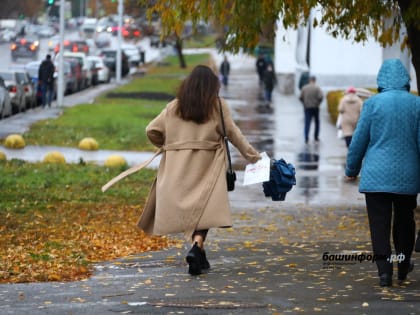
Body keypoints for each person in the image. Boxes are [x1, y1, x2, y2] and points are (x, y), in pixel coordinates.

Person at [138, 65, 261, 276]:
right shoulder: (218, 107)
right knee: (204, 209)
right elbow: (234, 135)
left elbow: (151, 130)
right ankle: (197, 245)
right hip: (208, 166)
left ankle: (198, 250)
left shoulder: (174, 107)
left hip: (178, 168)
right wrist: (255, 158)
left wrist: (171, 145)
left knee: (200, 211)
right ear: (213, 86)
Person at [345, 59, 420, 287]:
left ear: (381, 80)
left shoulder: (372, 104)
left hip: (376, 177)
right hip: (408, 175)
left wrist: (351, 168)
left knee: (379, 225)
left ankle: (384, 273)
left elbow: (359, 139)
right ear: (405, 80)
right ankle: (403, 266)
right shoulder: (416, 104)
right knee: (405, 222)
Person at [299, 76, 323, 144]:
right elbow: (321, 97)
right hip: (315, 108)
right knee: (317, 122)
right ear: (315, 80)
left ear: (309, 80)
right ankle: (316, 137)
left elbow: (300, 97)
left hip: (307, 108)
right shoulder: (317, 88)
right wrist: (318, 103)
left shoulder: (304, 88)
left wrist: (304, 103)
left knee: (307, 123)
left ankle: (306, 138)